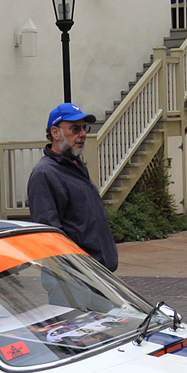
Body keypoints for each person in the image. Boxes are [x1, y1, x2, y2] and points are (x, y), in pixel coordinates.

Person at [27, 102, 118, 271]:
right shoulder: (45, 174)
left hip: (99, 275)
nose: (83, 134)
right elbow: (50, 236)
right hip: (75, 281)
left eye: (85, 128)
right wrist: (80, 272)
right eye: (75, 129)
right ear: (55, 132)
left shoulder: (75, 165)